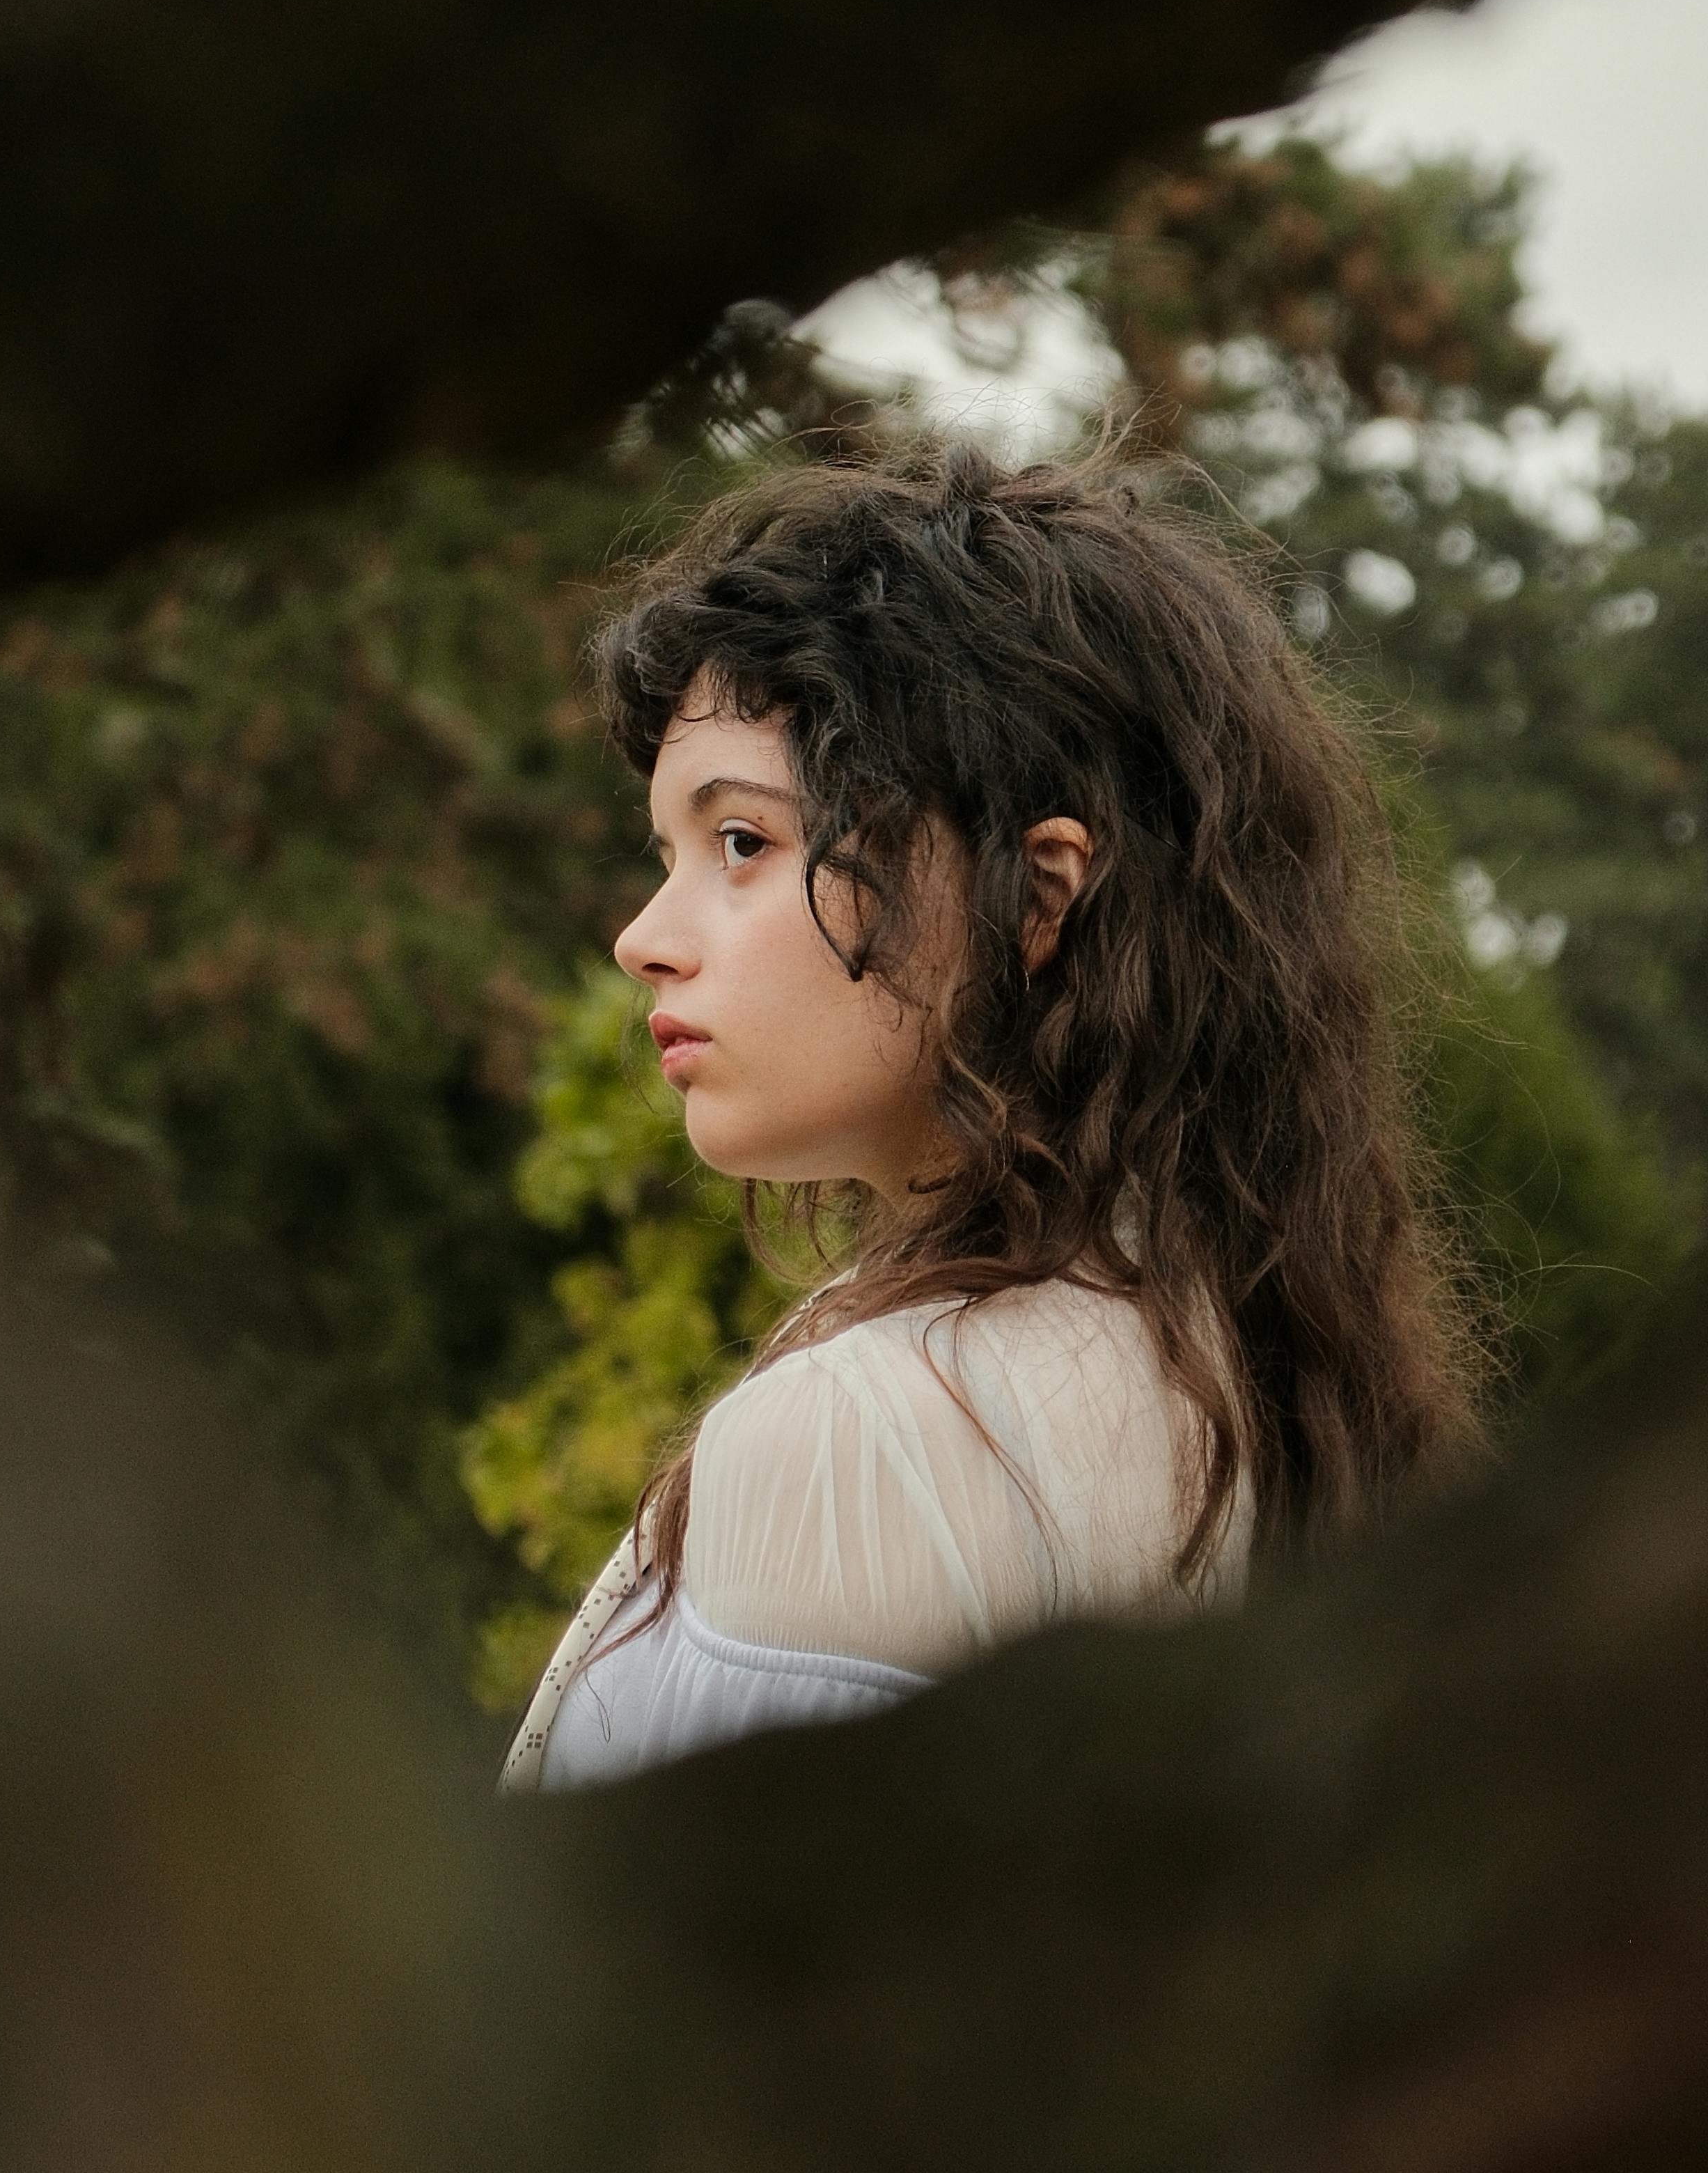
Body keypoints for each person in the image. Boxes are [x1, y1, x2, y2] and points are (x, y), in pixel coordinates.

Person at [501, 440, 1484, 1792]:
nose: (643, 939)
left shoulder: (868, 1432)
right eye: (666, 852)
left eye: (743, 842)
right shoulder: (1242, 1357)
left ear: (1036, 895)